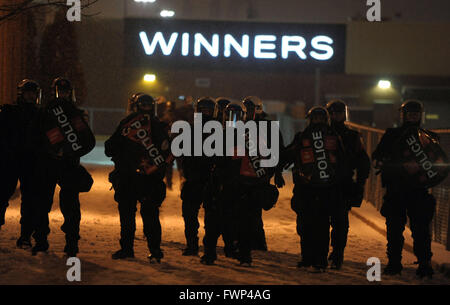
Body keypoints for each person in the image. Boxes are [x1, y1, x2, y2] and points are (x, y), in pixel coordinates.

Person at [372, 100, 448, 278]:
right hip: (396, 190)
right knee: (394, 230)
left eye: (416, 113)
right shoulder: (392, 135)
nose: (413, 116)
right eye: (410, 113)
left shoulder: (429, 136)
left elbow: (439, 164)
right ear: (403, 115)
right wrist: (386, 161)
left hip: (419, 191)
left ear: (421, 115)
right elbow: (377, 155)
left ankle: (424, 264)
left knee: (421, 231)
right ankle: (394, 263)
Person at [277, 106, 345, 272]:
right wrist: (278, 171)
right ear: (310, 120)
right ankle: (307, 258)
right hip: (305, 188)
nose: (318, 122)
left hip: (326, 189)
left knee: (321, 226)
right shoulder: (302, 137)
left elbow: (344, 162)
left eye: (321, 119)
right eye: (315, 119)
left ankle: (320, 261)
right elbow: (289, 155)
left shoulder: (334, 138)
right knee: (304, 225)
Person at [105, 93, 172, 263]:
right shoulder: (160, 125)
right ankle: (155, 251)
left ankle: (127, 249)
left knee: (128, 215)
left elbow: (110, 148)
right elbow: (167, 155)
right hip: (149, 180)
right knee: (150, 216)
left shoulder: (126, 124)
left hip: (129, 177)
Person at [32, 77, 95, 257]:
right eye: (61, 91)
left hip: (69, 166)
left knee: (71, 207)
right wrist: (49, 151)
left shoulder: (74, 113)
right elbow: (35, 137)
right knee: (43, 204)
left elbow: (86, 140)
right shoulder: (45, 112)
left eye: (66, 92)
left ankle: (72, 243)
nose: (64, 95)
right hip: (48, 164)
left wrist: (69, 152)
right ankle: (41, 241)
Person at [326, 99, 370, 269]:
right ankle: (324, 253)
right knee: (321, 222)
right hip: (322, 184)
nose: (336, 116)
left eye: (339, 113)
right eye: (333, 113)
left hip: (342, 184)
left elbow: (363, 162)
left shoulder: (352, 136)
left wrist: (359, 185)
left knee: (340, 223)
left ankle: (337, 254)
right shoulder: (320, 133)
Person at [0, 80, 41, 248]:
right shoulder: (9, 112)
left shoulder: (40, 115)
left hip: (29, 162)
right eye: (28, 93)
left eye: (33, 93)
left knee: (29, 200)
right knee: (2, 196)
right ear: (21, 94)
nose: (30, 96)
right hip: (10, 161)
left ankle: (25, 236)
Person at [242, 96, 284, 251]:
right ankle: (247, 241)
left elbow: (278, 150)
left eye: (251, 109)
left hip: (261, 173)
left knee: (254, 209)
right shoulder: (241, 125)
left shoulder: (268, 127)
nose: (248, 112)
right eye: (246, 109)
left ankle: (258, 243)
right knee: (243, 209)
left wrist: (277, 172)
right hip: (243, 173)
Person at [179, 97, 216, 256]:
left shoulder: (218, 130)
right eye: (203, 110)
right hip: (195, 178)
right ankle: (193, 245)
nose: (205, 113)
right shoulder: (191, 129)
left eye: (208, 110)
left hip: (209, 180)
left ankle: (207, 249)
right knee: (190, 215)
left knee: (211, 218)